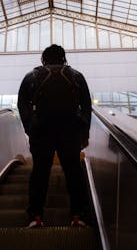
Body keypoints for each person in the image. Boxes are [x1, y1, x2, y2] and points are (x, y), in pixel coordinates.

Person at [17, 44, 92, 228]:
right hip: (70, 131)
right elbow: (86, 106)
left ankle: (35, 217)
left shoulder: (32, 76)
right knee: (73, 172)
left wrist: (30, 128)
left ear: (44, 58)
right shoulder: (76, 76)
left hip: (42, 132)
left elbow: (22, 104)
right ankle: (78, 216)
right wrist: (84, 133)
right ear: (63, 58)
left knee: (40, 174)